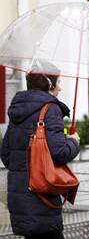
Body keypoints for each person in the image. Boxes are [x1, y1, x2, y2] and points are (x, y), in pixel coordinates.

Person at [0, 73, 80, 239]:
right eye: (58, 82)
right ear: (49, 84)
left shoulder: (17, 109)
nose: (60, 87)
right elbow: (60, 153)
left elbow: (7, 156)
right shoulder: (51, 110)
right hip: (41, 196)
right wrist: (73, 142)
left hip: (20, 198)